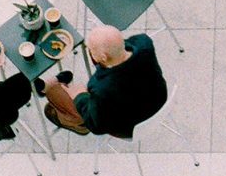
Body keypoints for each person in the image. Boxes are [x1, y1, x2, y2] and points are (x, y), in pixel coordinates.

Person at [36, 25, 167, 137]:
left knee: (54, 92)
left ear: (103, 57)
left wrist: (79, 96)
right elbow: (122, 45)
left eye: (91, 50)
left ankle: (78, 125)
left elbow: (97, 127)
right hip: (158, 100)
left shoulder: (102, 88)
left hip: (129, 126)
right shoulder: (145, 44)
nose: (90, 53)